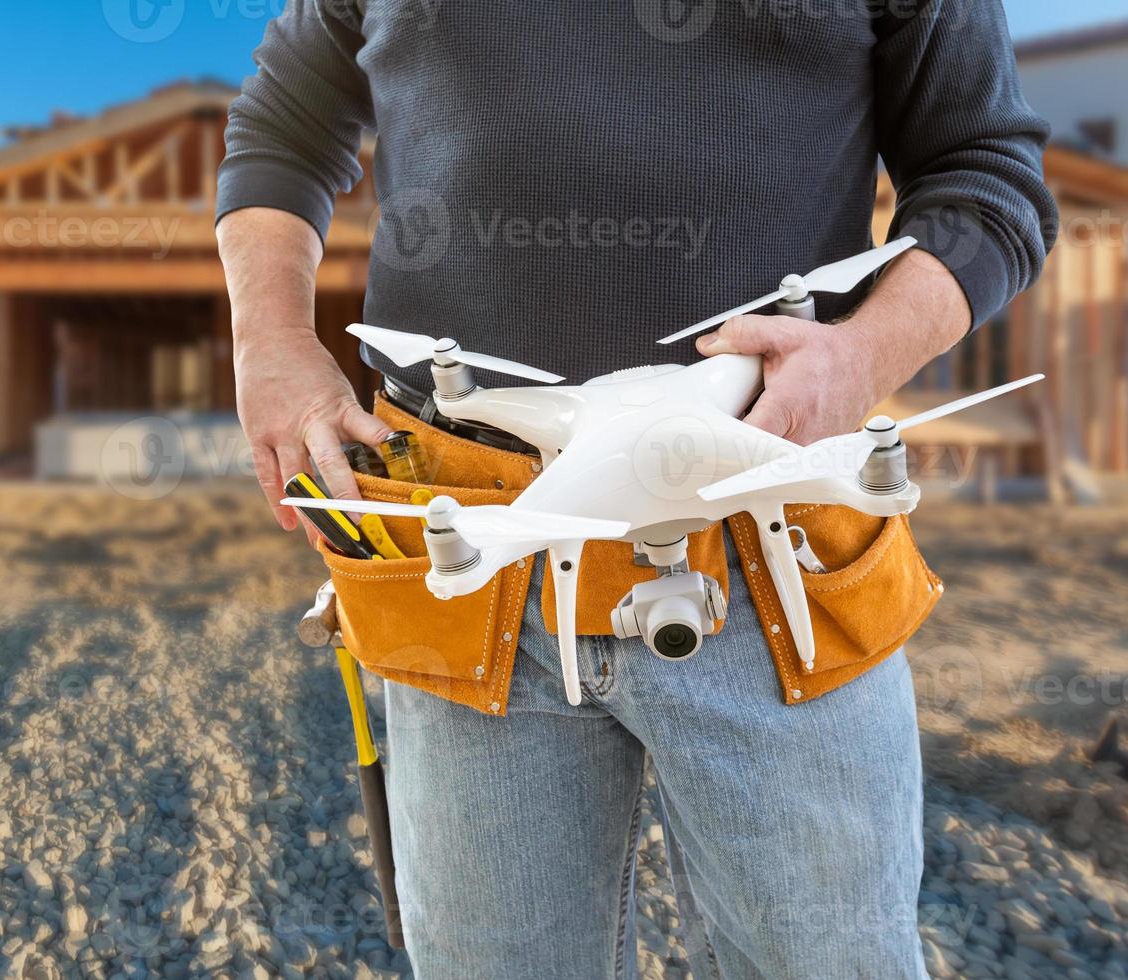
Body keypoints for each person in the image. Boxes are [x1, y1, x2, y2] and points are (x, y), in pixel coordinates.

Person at [216, 2, 1056, 977]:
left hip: (771, 542)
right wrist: (269, 340)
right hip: (464, 546)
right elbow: (280, 131)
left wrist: (862, 353)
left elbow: (984, 176)